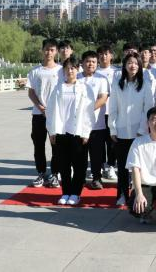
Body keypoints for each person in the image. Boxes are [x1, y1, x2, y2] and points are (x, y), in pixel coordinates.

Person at [46, 56, 100, 205]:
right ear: (63, 70)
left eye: (73, 68)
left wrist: (86, 132)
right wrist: (51, 131)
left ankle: (76, 193)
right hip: (61, 131)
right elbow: (50, 111)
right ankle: (65, 192)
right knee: (64, 164)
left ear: (78, 69)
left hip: (78, 131)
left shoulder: (84, 88)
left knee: (79, 164)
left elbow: (89, 112)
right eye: (67, 68)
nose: (70, 71)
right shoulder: (58, 88)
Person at [108, 52, 155, 206]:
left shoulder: (145, 85)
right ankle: (122, 194)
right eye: (129, 63)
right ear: (125, 66)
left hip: (139, 133)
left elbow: (148, 109)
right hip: (121, 131)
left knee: (139, 167)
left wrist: (142, 129)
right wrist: (113, 129)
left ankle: (139, 195)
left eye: (135, 63)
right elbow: (113, 108)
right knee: (122, 166)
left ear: (140, 66)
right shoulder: (118, 85)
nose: (132, 66)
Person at [26, 38, 62, 188]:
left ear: (56, 52)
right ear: (42, 50)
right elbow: (31, 92)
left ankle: (55, 174)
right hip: (38, 114)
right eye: (46, 49)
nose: (49, 52)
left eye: (52, 49)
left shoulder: (61, 70)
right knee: (38, 145)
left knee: (56, 146)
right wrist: (41, 107)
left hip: (56, 115)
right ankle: (41, 173)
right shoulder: (35, 71)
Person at [76, 51, 110, 190]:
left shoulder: (101, 79)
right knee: (80, 153)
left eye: (94, 62)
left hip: (97, 124)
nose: (91, 64)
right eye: (88, 61)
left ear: (97, 63)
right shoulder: (76, 78)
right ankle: (79, 178)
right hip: (78, 124)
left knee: (96, 154)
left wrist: (88, 110)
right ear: (82, 63)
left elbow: (103, 98)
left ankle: (97, 178)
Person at [96, 44, 119, 181]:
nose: (104, 56)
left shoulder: (117, 72)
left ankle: (111, 166)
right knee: (98, 142)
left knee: (112, 142)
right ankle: (100, 166)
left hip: (112, 111)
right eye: (101, 54)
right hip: (97, 113)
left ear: (111, 56)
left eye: (106, 53)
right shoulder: (94, 71)